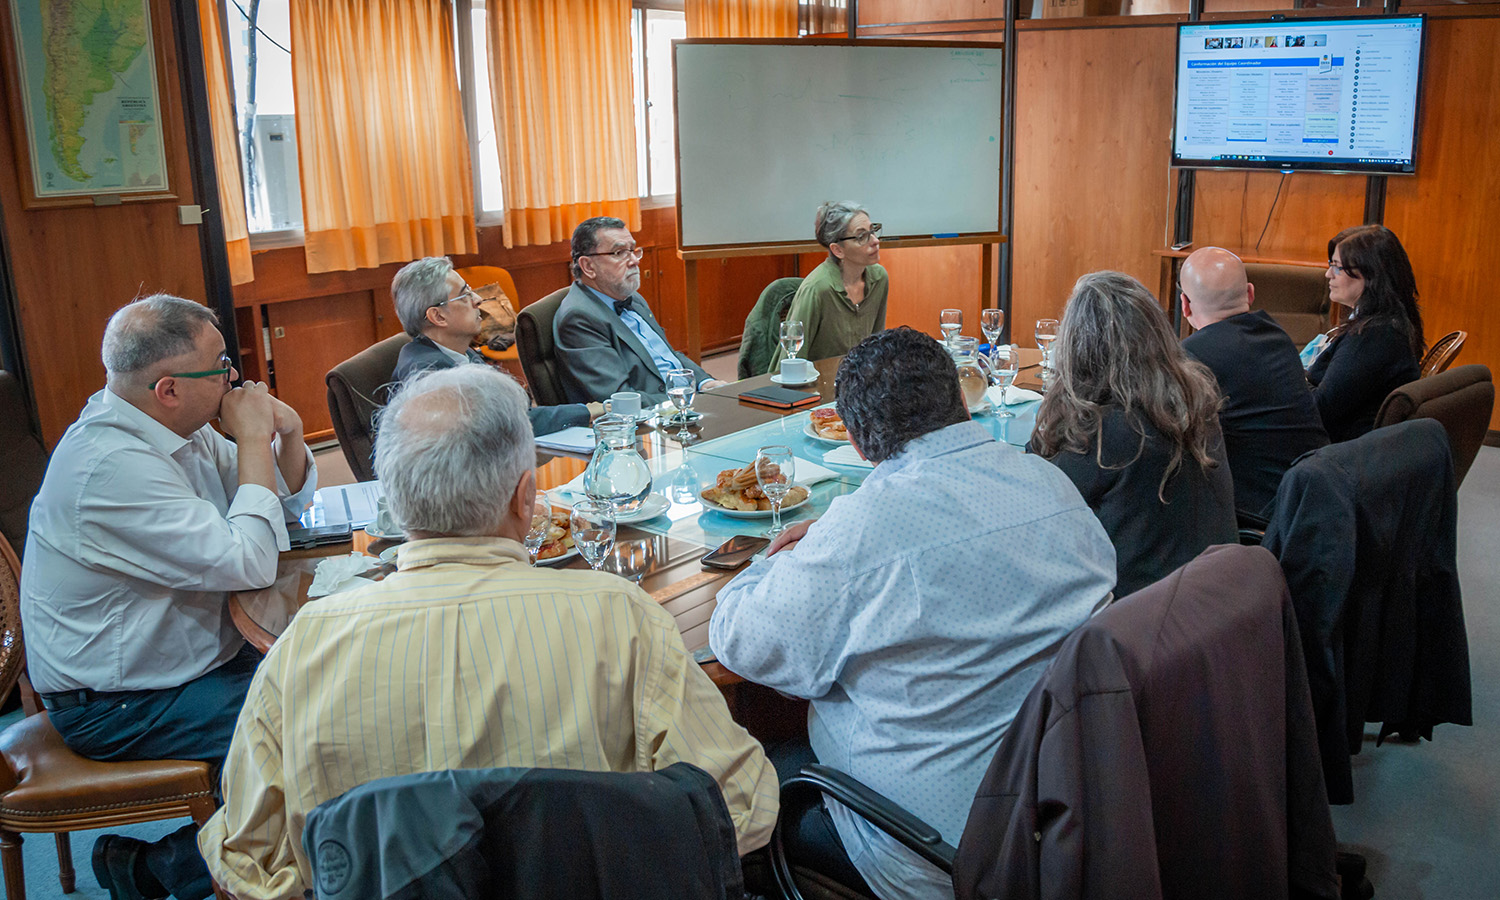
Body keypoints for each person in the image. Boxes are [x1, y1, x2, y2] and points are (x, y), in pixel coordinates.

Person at [198, 365, 779, 899]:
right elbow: (743, 807)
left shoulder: (304, 645)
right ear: (527, 498)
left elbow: (248, 861)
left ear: (396, 505)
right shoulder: (620, 617)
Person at [710, 327, 1116, 900]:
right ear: (958, 398)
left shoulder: (865, 527)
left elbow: (740, 641)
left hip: (928, 851)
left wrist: (769, 562)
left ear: (855, 441)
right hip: (1061, 813)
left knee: (740, 779)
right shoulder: (1047, 481)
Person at [20, 294, 317, 900]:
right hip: (116, 703)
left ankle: (209, 861)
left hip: (189, 664)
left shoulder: (175, 430)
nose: (235, 379)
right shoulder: (108, 466)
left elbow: (281, 498)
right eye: (222, 367)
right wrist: (255, 439)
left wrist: (280, 429)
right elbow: (251, 560)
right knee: (323, 729)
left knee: (333, 682)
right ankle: (164, 870)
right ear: (169, 389)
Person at [1029, 271, 1237, 599]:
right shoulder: (1196, 402)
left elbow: (1035, 490)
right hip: (1212, 605)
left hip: (1136, 621)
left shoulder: (1106, 432)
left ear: (1077, 350)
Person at [1179, 247, 1329, 518]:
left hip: (1261, 515)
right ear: (1250, 293)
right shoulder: (1278, 337)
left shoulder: (1190, 358)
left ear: (1185, 305)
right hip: (1317, 495)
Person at [389, 256, 600, 434]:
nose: (478, 299)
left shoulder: (457, 352)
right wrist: (587, 411)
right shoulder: (431, 375)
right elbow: (507, 423)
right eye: (465, 295)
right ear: (438, 316)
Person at [553, 216, 725, 404]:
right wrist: (686, 402)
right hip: (654, 418)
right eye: (619, 253)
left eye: (633, 250)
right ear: (588, 266)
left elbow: (668, 355)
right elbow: (618, 397)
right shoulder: (578, 318)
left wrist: (704, 383)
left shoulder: (631, 297)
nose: (634, 261)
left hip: (684, 400)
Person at [1309, 225, 1425, 442]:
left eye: (1336, 267)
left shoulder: (1374, 337)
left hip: (1335, 452)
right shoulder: (1388, 319)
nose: (1327, 274)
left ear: (1371, 274)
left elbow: (1319, 411)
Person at [769, 201, 889, 368]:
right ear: (838, 250)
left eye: (873, 231)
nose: (875, 241)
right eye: (862, 236)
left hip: (859, 385)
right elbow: (791, 358)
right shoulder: (817, 289)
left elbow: (876, 345)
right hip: (816, 385)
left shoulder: (879, 278)